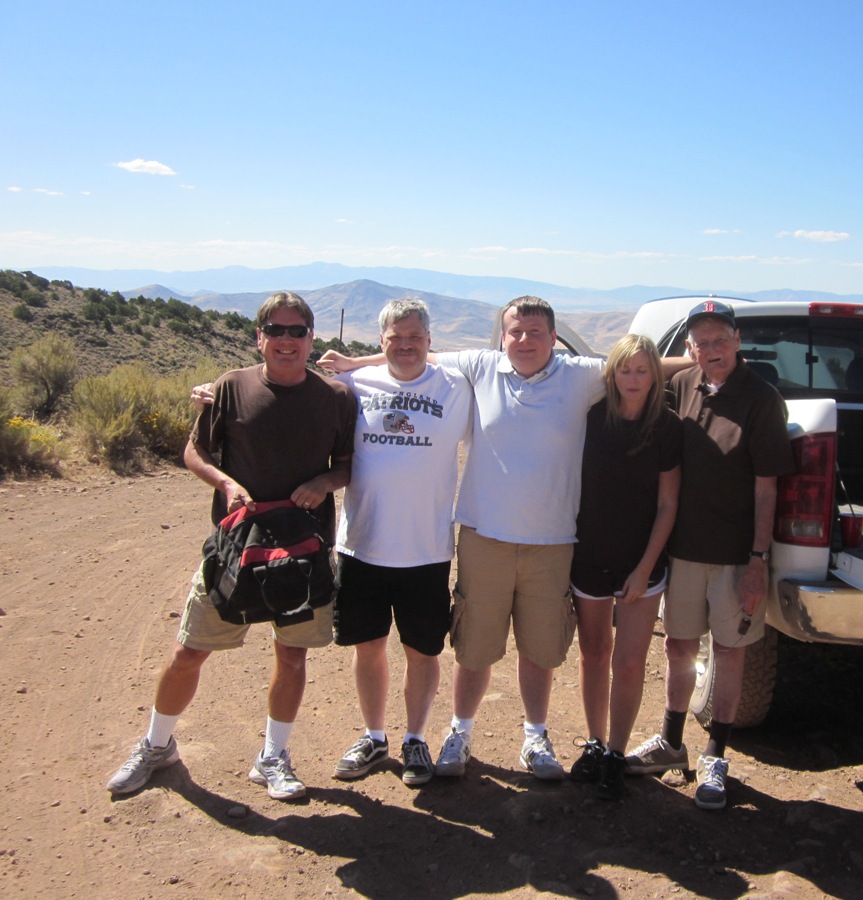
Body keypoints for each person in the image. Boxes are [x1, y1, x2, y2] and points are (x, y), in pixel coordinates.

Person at [321, 297, 693, 782]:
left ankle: (535, 735)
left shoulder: (579, 375)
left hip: (553, 541)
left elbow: (640, 365)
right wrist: (353, 363)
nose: (524, 340)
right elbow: (411, 353)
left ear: (553, 337)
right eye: (515, 331)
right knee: (474, 646)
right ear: (502, 336)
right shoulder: (481, 366)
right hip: (483, 535)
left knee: (539, 650)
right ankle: (460, 730)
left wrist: (704, 359)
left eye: (535, 332)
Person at [106, 292, 357, 801]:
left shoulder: (334, 397)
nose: (287, 340)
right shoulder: (229, 387)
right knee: (189, 651)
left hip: (302, 553)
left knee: (291, 657)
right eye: (277, 330)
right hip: (233, 549)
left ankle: (272, 757)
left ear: (312, 338)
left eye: (297, 331)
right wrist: (223, 483)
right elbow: (195, 450)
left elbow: (349, 463)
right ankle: (157, 746)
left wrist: (326, 482)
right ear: (259, 336)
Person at [625, 300, 794, 811]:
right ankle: (672, 742)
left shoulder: (762, 400)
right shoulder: (682, 387)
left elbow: (768, 489)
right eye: (701, 343)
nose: (712, 350)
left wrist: (758, 560)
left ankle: (716, 755)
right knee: (678, 648)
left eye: (721, 340)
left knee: (729, 652)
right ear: (690, 349)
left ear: (738, 341)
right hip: (683, 552)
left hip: (735, 556)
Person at [325, 299, 471, 787]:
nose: (405, 346)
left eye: (414, 338)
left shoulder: (456, 388)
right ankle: (373, 735)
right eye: (395, 338)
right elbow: (286, 385)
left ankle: (414, 738)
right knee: (367, 646)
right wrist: (216, 391)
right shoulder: (352, 385)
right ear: (380, 341)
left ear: (431, 342)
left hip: (425, 549)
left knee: (422, 650)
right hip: (362, 544)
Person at [567, 334, 682, 801]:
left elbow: (668, 504)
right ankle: (595, 743)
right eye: (624, 370)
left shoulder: (668, 428)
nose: (632, 379)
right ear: (611, 374)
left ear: (655, 374)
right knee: (594, 654)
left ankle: (617, 752)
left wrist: (645, 567)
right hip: (590, 554)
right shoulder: (592, 419)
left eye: (641, 370)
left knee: (631, 661)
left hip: (643, 563)